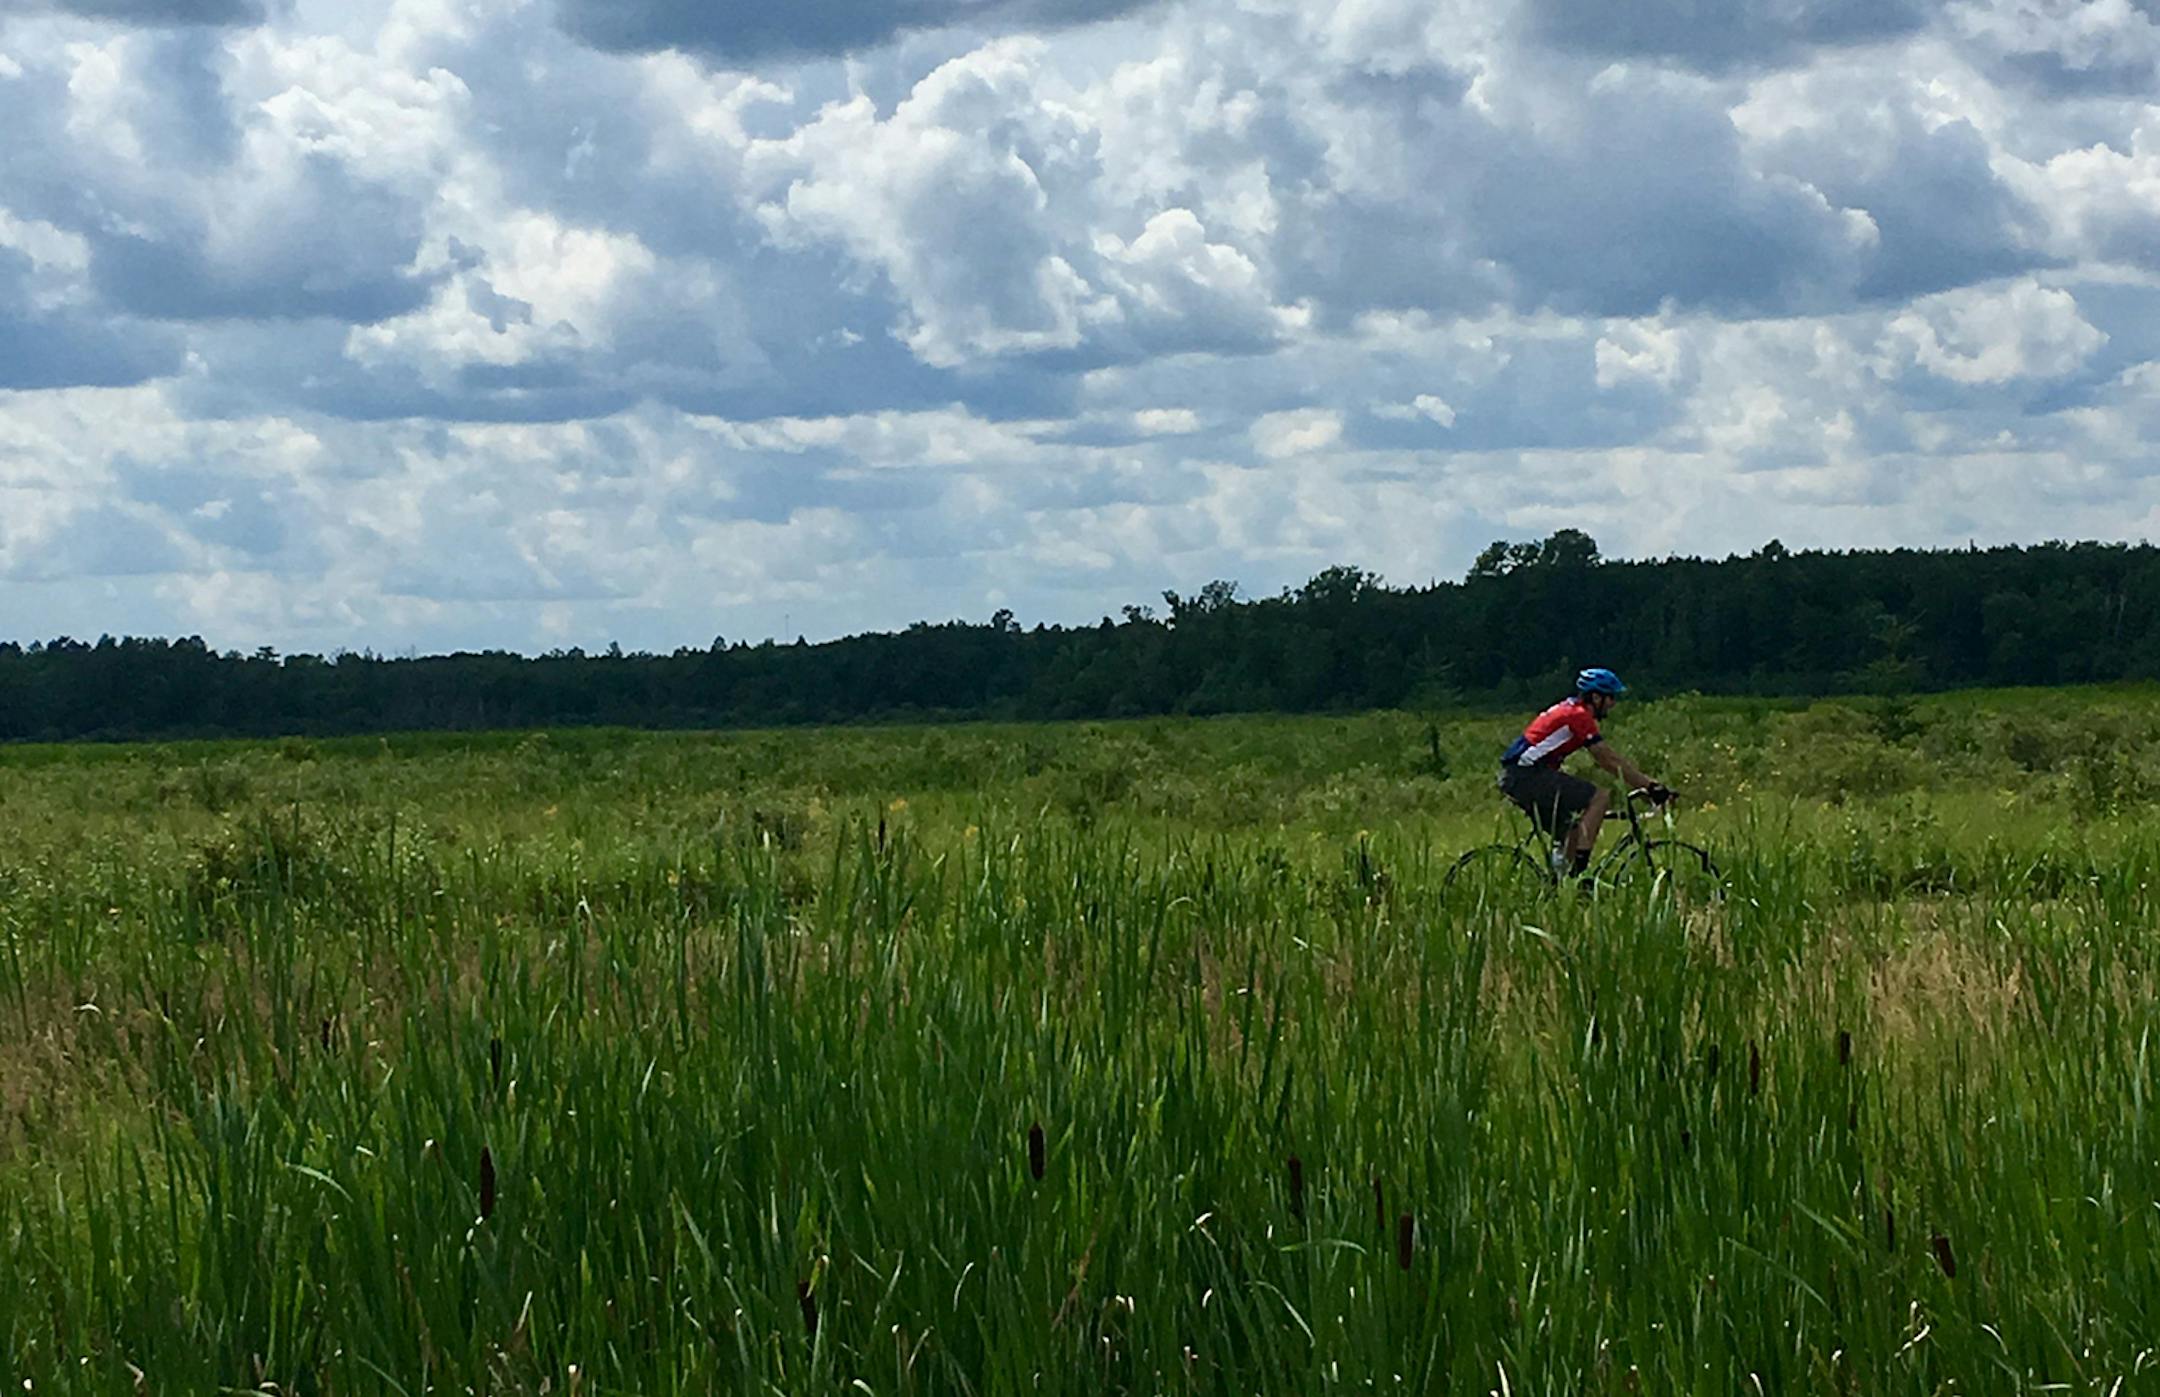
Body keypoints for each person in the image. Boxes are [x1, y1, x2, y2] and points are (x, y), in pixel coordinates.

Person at [1498, 668, 1667, 877]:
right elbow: (1607, 759)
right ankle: (1581, 871)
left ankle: (1563, 884)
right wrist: (1650, 785)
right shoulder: (1578, 716)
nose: (1613, 703)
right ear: (1596, 697)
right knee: (1600, 797)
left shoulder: (1570, 709)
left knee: (1574, 831)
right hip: (1526, 776)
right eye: (1611, 697)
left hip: (1519, 776)